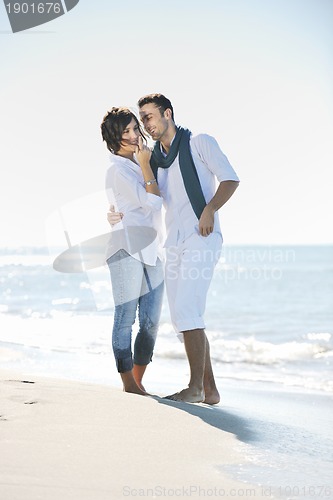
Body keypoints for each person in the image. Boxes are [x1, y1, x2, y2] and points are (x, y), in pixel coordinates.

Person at [108, 94, 239, 404]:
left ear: (167, 113)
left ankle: (194, 388)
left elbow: (230, 179)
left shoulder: (199, 142)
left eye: (150, 116)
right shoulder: (155, 160)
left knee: (186, 311)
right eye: (143, 119)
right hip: (174, 242)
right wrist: (114, 213)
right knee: (183, 319)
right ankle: (209, 390)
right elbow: (145, 198)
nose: (146, 124)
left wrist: (209, 209)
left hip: (202, 235)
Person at [101, 107, 164, 396]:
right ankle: (128, 382)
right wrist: (146, 165)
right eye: (125, 132)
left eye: (134, 128)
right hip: (126, 248)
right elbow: (151, 204)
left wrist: (146, 163)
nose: (133, 135)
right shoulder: (118, 170)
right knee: (125, 317)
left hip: (153, 249)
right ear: (114, 139)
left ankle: (138, 381)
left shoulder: (145, 159)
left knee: (150, 322)